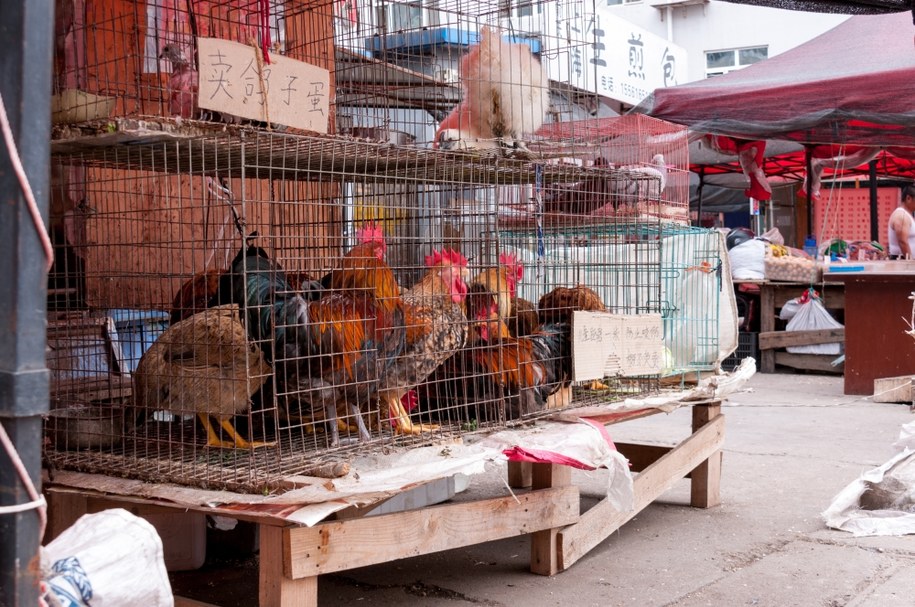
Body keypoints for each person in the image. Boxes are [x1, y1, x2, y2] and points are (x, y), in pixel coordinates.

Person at [887, 184, 915, 259]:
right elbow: (903, 242)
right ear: (908, 198)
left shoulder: (907, 215)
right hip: (902, 261)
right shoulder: (901, 215)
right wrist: (910, 262)